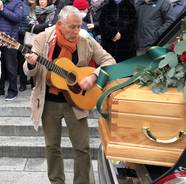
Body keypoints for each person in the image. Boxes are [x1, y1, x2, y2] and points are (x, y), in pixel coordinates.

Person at [23, 5, 116, 184]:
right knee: (52, 147)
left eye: (78, 26)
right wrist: (32, 64)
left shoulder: (85, 39)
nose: (76, 31)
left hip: (76, 101)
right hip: (48, 101)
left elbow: (109, 60)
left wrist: (93, 76)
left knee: (82, 148)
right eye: (72, 27)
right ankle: (56, 181)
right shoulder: (43, 39)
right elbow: (29, 72)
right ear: (59, 24)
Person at [0, 0, 23, 101]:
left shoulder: (18, 3)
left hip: (11, 40)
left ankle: (13, 91)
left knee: (11, 66)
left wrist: (2, 9)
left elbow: (17, 18)